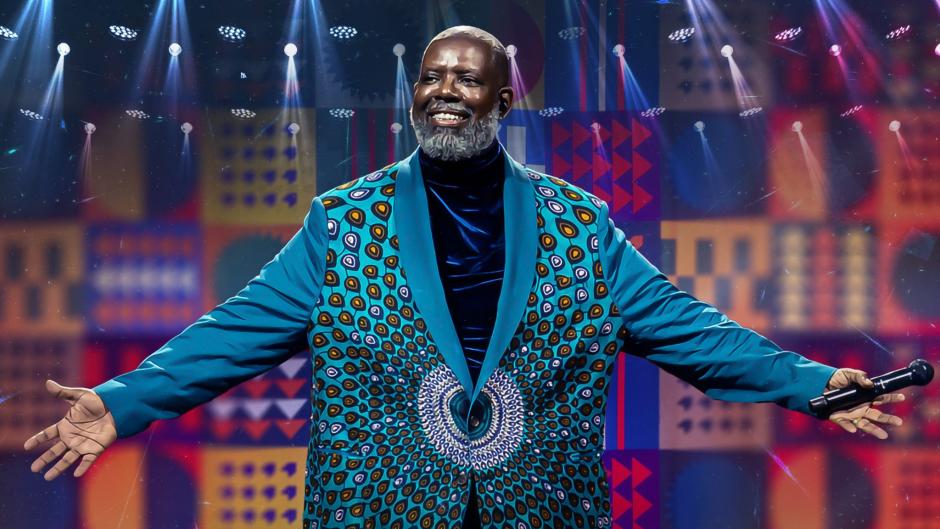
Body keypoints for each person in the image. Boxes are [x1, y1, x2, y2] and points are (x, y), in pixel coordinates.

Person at [24, 26, 905, 529]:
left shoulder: (578, 225)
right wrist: (123, 400)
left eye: (467, 79)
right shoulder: (344, 222)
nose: (445, 89)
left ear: (502, 100)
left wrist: (808, 383)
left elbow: (688, 330)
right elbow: (235, 332)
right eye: (432, 77)